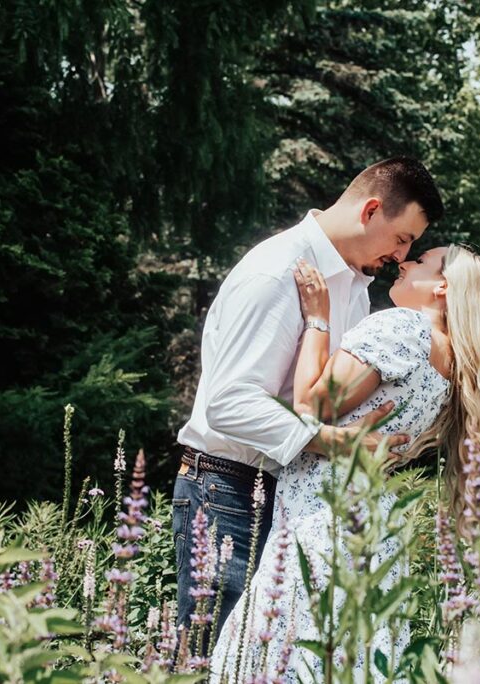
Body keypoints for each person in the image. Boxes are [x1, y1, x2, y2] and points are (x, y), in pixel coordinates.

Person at [172, 157, 445, 645]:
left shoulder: (355, 291)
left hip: (294, 503)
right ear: (372, 210)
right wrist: (336, 444)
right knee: (214, 663)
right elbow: (228, 403)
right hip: (227, 493)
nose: (402, 255)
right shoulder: (276, 272)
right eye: (402, 238)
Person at [209, 244, 480, 682]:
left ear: (443, 287)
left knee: (281, 651)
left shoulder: (404, 327)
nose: (404, 262)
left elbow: (313, 404)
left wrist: (318, 319)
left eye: (421, 261)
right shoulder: (451, 364)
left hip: (323, 516)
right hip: (372, 526)